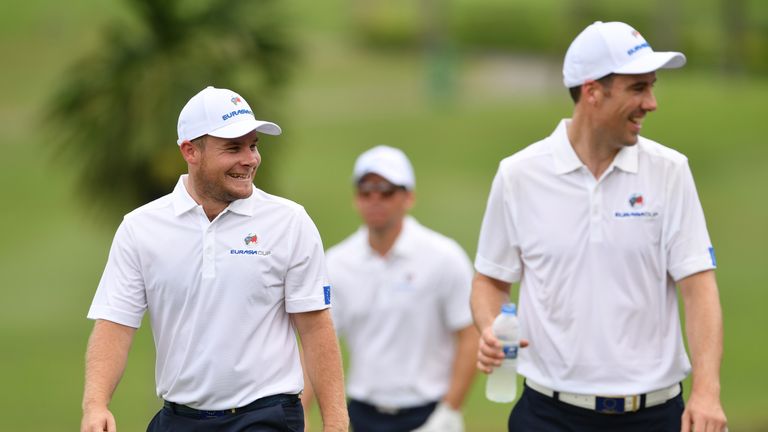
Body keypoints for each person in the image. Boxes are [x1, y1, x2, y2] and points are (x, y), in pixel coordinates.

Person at [471, 21, 728, 432]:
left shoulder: (670, 171)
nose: (652, 103)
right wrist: (489, 329)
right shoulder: (519, 175)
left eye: (652, 86)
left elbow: (698, 287)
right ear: (592, 92)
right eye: (638, 88)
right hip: (547, 415)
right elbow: (490, 279)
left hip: (656, 415)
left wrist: (707, 393)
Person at [80, 86, 348, 432]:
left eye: (253, 145)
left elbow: (315, 327)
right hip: (179, 419)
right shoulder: (139, 228)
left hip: (266, 417)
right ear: (190, 151)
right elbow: (115, 323)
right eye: (233, 147)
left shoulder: (290, 222)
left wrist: (337, 424)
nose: (250, 159)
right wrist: (96, 404)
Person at [303, 145, 479, 432]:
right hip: (362, 413)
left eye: (386, 191)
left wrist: (450, 409)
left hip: (428, 413)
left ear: (408, 197)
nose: (375, 199)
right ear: (355, 198)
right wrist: (303, 410)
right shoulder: (336, 262)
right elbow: (318, 340)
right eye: (366, 191)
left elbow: (469, 336)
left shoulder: (443, 257)